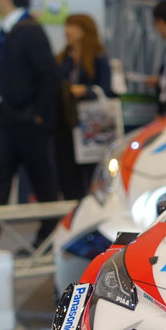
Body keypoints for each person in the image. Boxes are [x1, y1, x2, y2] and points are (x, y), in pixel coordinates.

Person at [0, 0, 62, 247]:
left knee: (43, 182)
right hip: (8, 121)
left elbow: (49, 78)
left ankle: (50, 239)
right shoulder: (8, 30)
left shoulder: (30, 31)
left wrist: (38, 118)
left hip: (28, 123)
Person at [55, 13, 115, 200]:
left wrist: (86, 90)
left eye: (72, 26)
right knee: (66, 175)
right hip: (66, 125)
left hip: (90, 125)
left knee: (90, 174)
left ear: (84, 30)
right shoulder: (62, 59)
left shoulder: (98, 58)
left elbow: (107, 90)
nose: (67, 30)